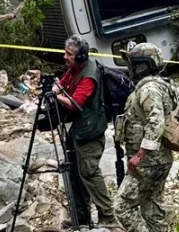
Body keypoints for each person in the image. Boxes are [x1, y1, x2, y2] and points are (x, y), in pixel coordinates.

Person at [52, 35, 116, 229]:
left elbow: (76, 103)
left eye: (69, 54)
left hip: (90, 131)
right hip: (79, 129)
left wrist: (56, 95)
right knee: (73, 171)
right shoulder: (74, 68)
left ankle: (108, 216)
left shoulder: (89, 74)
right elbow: (62, 83)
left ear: (80, 57)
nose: (65, 57)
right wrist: (56, 87)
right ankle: (81, 216)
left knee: (89, 172)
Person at [113, 43, 176, 232]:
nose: (129, 68)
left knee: (122, 207)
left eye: (132, 63)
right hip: (158, 160)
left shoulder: (149, 89)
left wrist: (140, 154)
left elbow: (156, 122)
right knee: (152, 209)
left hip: (149, 162)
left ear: (142, 65)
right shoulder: (159, 86)